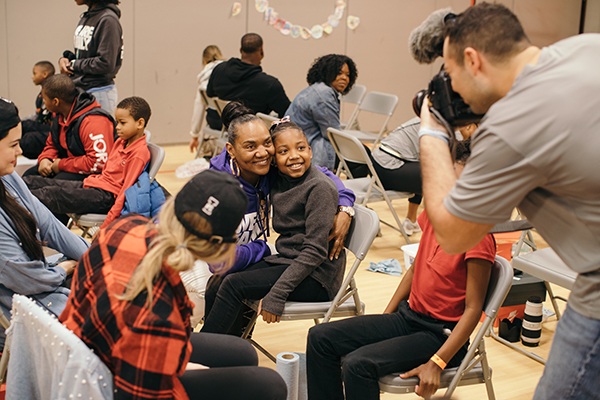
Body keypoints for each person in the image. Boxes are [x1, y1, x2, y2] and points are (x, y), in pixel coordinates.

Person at [415, 4, 600, 399]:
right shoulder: (586, 47)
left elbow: (451, 234)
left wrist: (431, 130)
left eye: (450, 75)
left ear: (472, 59)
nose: (454, 89)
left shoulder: (512, 128)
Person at [59, 169, 287, 400]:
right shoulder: (162, 312)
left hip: (81, 351)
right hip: (106, 383)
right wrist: (177, 374)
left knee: (242, 352)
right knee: (270, 384)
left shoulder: (125, 226)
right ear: (218, 246)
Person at [306, 139, 497, 400]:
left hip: (439, 335)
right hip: (407, 318)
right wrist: (385, 318)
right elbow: (414, 270)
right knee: (319, 338)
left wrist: (437, 363)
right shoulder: (436, 212)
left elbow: (474, 310)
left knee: (358, 365)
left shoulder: (478, 235)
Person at [192, 102, 354, 333]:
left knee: (234, 285)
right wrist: (264, 250)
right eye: (283, 151)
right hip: (289, 260)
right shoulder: (273, 174)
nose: (293, 157)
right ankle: (225, 352)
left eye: (300, 148)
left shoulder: (317, 186)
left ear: (310, 150)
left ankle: (204, 355)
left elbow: (315, 250)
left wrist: (345, 207)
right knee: (218, 282)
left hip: (318, 277)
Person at [0, 97, 90, 348]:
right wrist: (64, 270)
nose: (20, 151)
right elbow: (26, 280)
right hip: (23, 310)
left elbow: (49, 224)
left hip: (40, 286)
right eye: (14, 144)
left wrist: (92, 255)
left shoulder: (8, 178)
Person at [24, 96, 151, 227]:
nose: (117, 127)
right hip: (94, 185)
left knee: (51, 194)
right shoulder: (120, 141)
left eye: (122, 123)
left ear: (140, 123)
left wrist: (107, 225)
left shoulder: (139, 154)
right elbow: (106, 172)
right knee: (34, 181)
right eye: (117, 122)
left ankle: (9, 203)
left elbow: (125, 192)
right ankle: (7, 190)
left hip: (106, 198)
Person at [370, 117, 478, 236]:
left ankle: (411, 221)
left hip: (377, 164)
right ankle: (441, 227)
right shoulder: (453, 133)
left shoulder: (444, 119)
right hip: (387, 168)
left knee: (430, 169)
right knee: (440, 177)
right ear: (469, 125)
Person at [23, 74, 116, 181]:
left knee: (53, 183)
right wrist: (45, 158)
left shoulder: (93, 121)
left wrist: (62, 165)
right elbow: (52, 144)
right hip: (70, 164)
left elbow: (99, 163)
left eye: (44, 98)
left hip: (96, 174)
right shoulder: (60, 115)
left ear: (56, 102)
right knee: (28, 176)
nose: (43, 102)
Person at [285, 54, 358, 171]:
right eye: (339, 73)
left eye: (348, 75)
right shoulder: (324, 94)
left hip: (294, 144)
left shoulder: (318, 88)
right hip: (306, 148)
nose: (344, 78)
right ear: (327, 72)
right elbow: (332, 134)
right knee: (360, 157)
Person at [59, 0, 123, 116]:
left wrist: (74, 64)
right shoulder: (88, 16)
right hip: (82, 91)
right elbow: (86, 55)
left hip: (99, 93)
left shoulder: (108, 19)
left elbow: (105, 63)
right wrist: (66, 60)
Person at [206, 33, 290, 118]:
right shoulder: (270, 84)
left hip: (219, 123)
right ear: (261, 51)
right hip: (249, 128)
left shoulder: (219, 69)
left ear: (240, 50)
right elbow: (287, 112)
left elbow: (209, 94)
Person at [189, 45, 226, 154]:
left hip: (213, 120)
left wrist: (194, 135)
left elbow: (198, 108)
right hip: (228, 120)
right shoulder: (229, 71)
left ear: (204, 61)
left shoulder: (203, 78)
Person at [20, 61, 55, 159]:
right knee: (23, 124)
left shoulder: (54, 91)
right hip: (42, 125)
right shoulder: (41, 94)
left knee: (28, 138)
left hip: (52, 129)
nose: (32, 77)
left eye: (34, 73)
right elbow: (38, 115)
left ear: (45, 74)